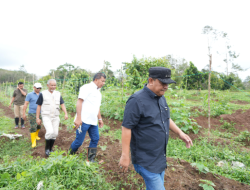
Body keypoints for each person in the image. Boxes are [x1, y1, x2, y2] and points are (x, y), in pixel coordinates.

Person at [118, 67, 193, 190]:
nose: (166, 87)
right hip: (145, 159)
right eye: (163, 83)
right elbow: (126, 128)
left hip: (159, 157)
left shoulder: (160, 97)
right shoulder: (136, 100)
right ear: (151, 80)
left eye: (167, 83)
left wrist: (180, 133)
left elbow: (166, 118)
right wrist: (125, 155)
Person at [69, 73, 106, 162]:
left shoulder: (98, 92)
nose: (103, 83)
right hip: (83, 120)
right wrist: (78, 118)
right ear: (96, 79)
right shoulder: (86, 88)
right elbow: (79, 102)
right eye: (102, 81)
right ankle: (69, 155)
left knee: (95, 138)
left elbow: (97, 107)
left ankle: (90, 159)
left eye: (104, 81)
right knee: (79, 141)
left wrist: (100, 119)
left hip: (93, 121)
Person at [36, 79, 68, 156]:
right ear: (48, 85)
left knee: (55, 133)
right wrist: (37, 117)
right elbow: (39, 106)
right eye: (52, 85)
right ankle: (46, 149)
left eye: (54, 85)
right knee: (50, 132)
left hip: (56, 116)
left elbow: (62, 104)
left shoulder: (58, 93)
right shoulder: (43, 94)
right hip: (46, 116)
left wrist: (65, 113)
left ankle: (50, 149)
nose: (53, 87)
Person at [23, 83, 43, 148]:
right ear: (34, 87)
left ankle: (36, 135)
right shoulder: (29, 95)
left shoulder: (42, 94)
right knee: (33, 126)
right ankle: (33, 141)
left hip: (40, 113)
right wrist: (24, 113)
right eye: (37, 88)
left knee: (39, 125)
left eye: (40, 88)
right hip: (32, 113)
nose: (39, 89)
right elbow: (26, 104)